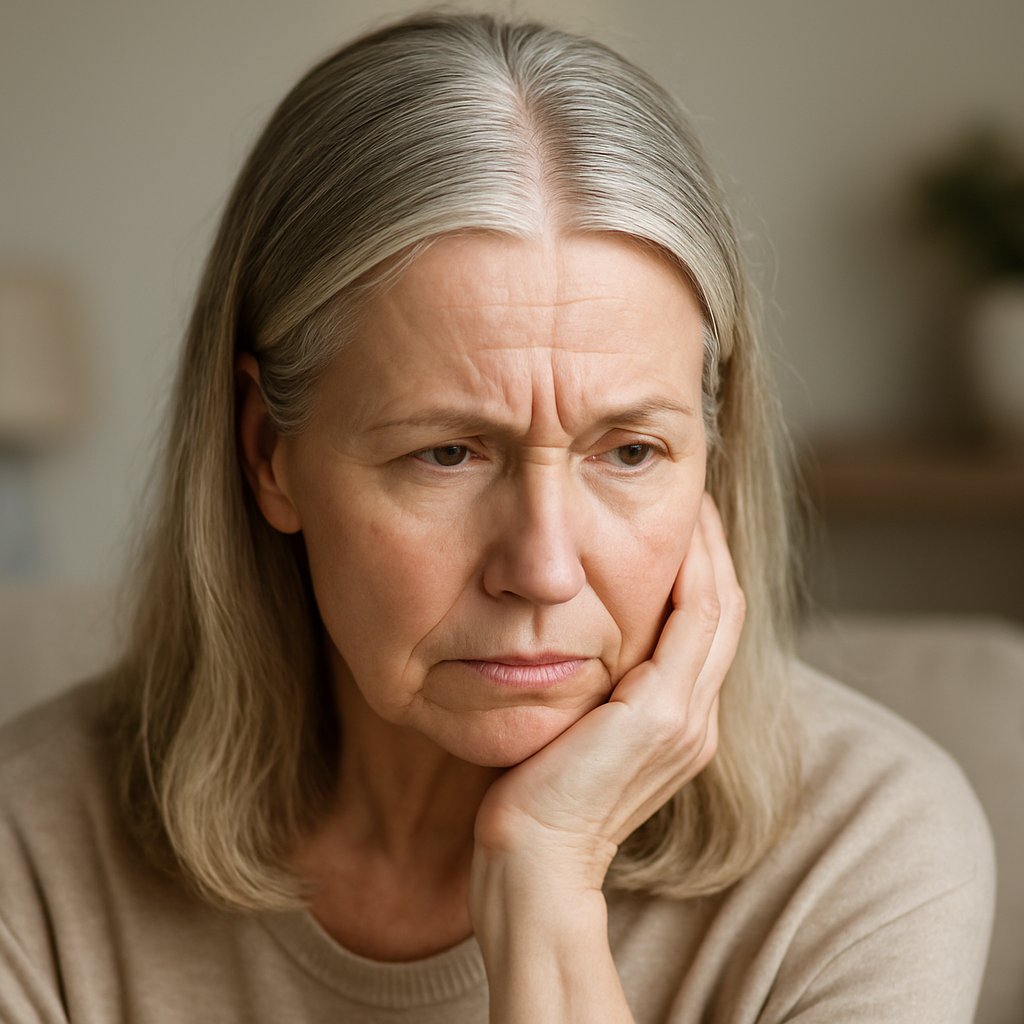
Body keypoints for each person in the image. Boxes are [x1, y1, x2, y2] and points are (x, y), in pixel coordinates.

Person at [0, 11, 994, 1023]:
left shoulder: (863, 848)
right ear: (269, 454)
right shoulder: (30, 854)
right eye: (446, 452)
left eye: (629, 451)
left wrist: (545, 884)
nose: (544, 567)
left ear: (711, 452)